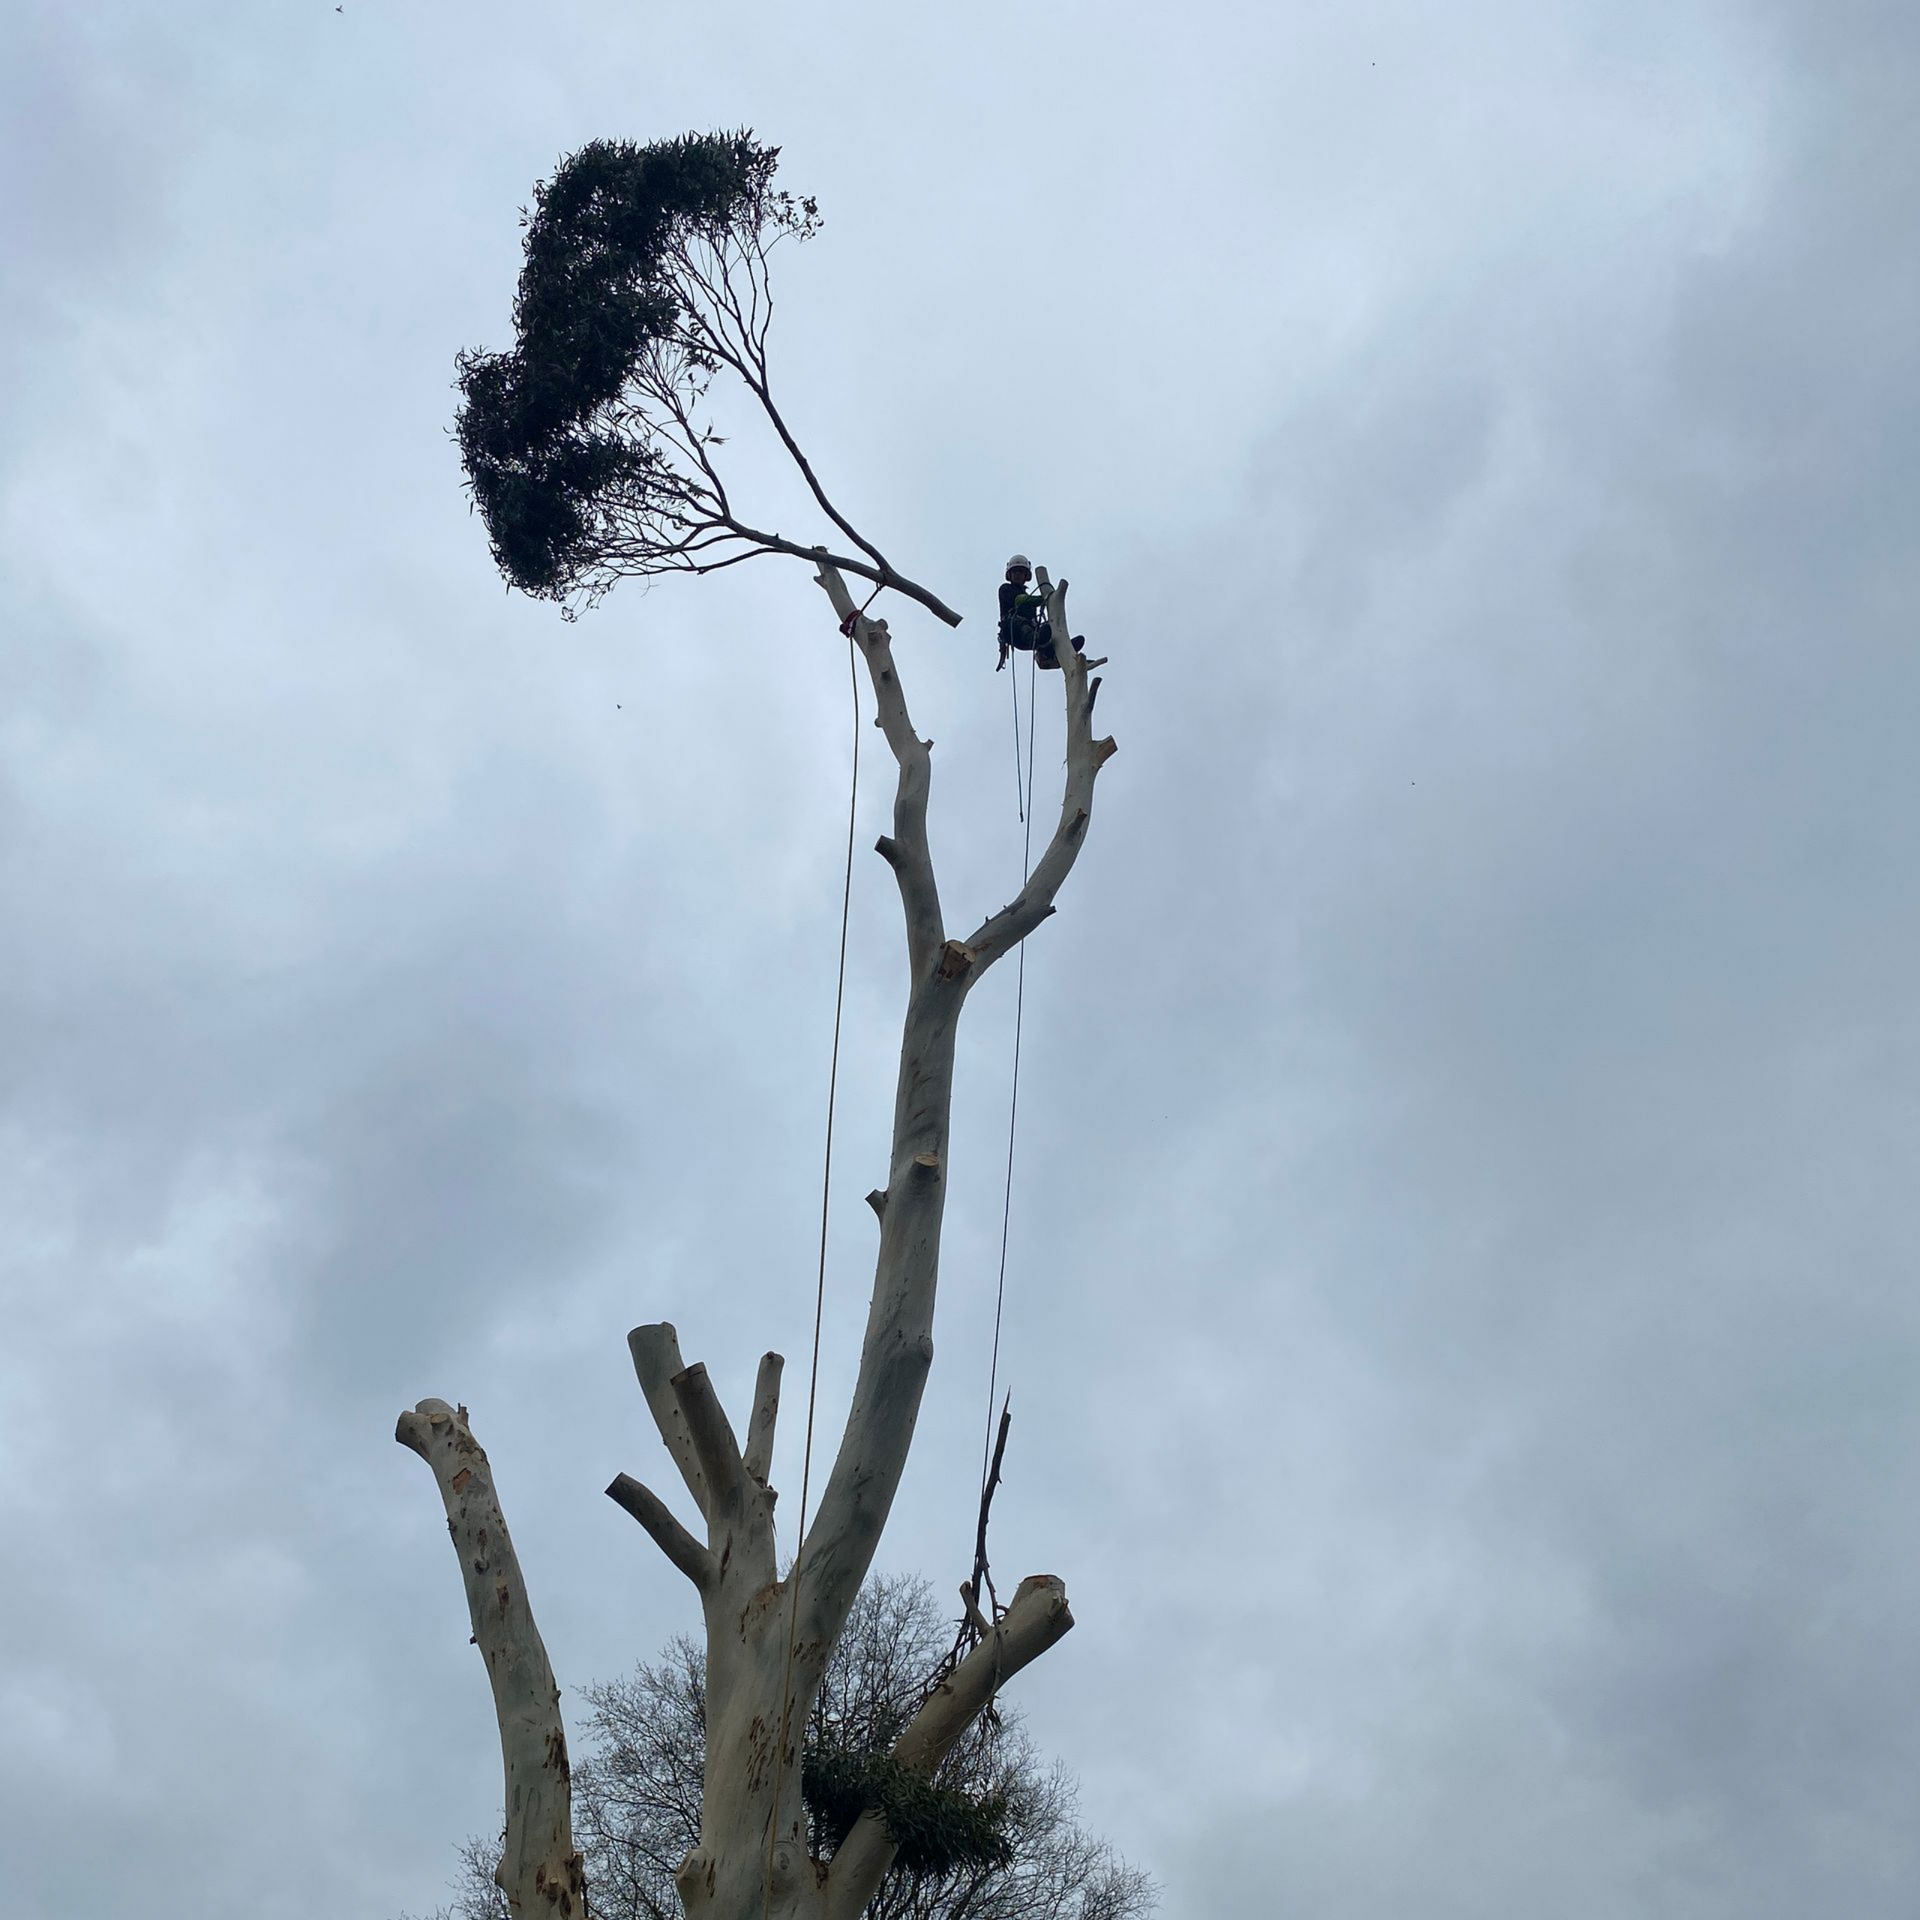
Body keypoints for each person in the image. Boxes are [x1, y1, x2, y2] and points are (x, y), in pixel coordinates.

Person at [996, 554, 1087, 671]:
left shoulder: (1029, 601)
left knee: (1048, 627)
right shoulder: (1005, 589)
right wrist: (1043, 598)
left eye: (1021, 572)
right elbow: (1018, 600)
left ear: (1025, 575)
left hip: (1030, 633)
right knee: (1021, 623)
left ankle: (1050, 653)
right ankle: (1040, 643)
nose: (1018, 574)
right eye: (1015, 572)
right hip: (1014, 631)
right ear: (1010, 575)